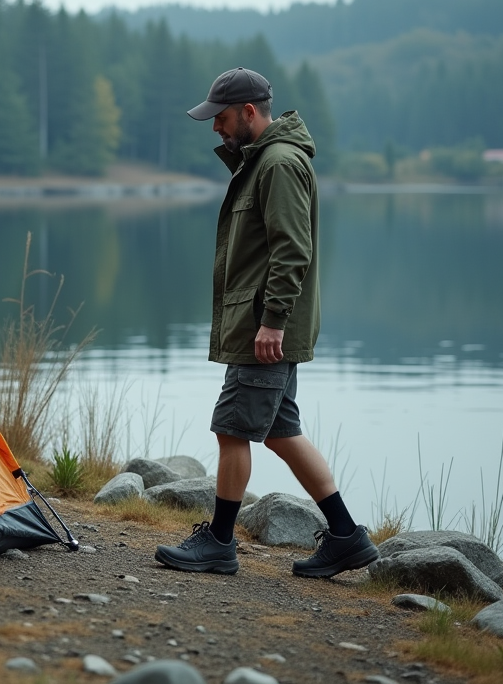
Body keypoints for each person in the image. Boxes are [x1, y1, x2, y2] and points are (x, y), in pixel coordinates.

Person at [154, 67, 379, 578]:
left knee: (231, 428)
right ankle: (346, 537)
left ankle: (219, 543)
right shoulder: (263, 162)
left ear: (250, 112)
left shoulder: (277, 164)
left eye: (222, 118)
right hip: (262, 325)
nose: (215, 127)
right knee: (281, 432)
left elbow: (292, 250)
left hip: (266, 329)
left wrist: (273, 321)